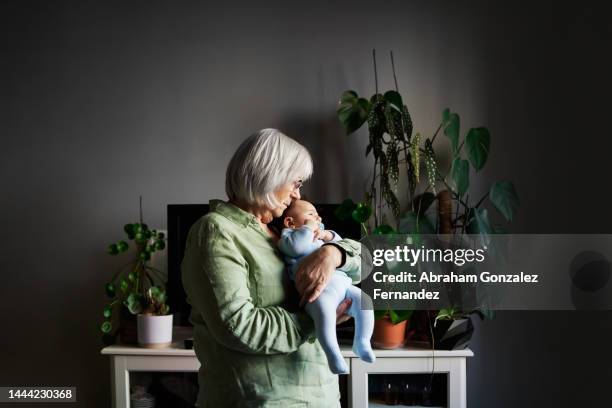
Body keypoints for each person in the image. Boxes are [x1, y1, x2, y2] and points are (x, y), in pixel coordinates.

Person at [181, 128, 363, 407]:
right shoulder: (216, 231)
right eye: (295, 183)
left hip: (320, 396)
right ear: (269, 175)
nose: (298, 194)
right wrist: (316, 319)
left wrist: (333, 253)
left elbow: (365, 262)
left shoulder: (285, 232)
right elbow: (239, 327)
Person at [278, 199, 375, 374]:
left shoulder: (319, 235)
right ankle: (333, 355)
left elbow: (339, 242)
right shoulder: (288, 237)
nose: (317, 217)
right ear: (290, 222)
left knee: (365, 301)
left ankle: (362, 342)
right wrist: (307, 228)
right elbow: (296, 248)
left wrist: (326, 235)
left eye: (317, 214)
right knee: (325, 314)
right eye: (310, 214)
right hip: (319, 292)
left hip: (342, 283)